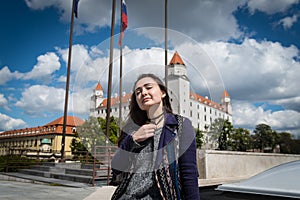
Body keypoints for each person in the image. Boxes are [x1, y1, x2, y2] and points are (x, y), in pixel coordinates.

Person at [111, 73, 200, 200]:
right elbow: (116, 167)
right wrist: (133, 140)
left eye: (148, 87)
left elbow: (189, 173)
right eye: (138, 92)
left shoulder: (180, 125)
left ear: (163, 93)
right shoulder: (132, 129)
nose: (143, 93)